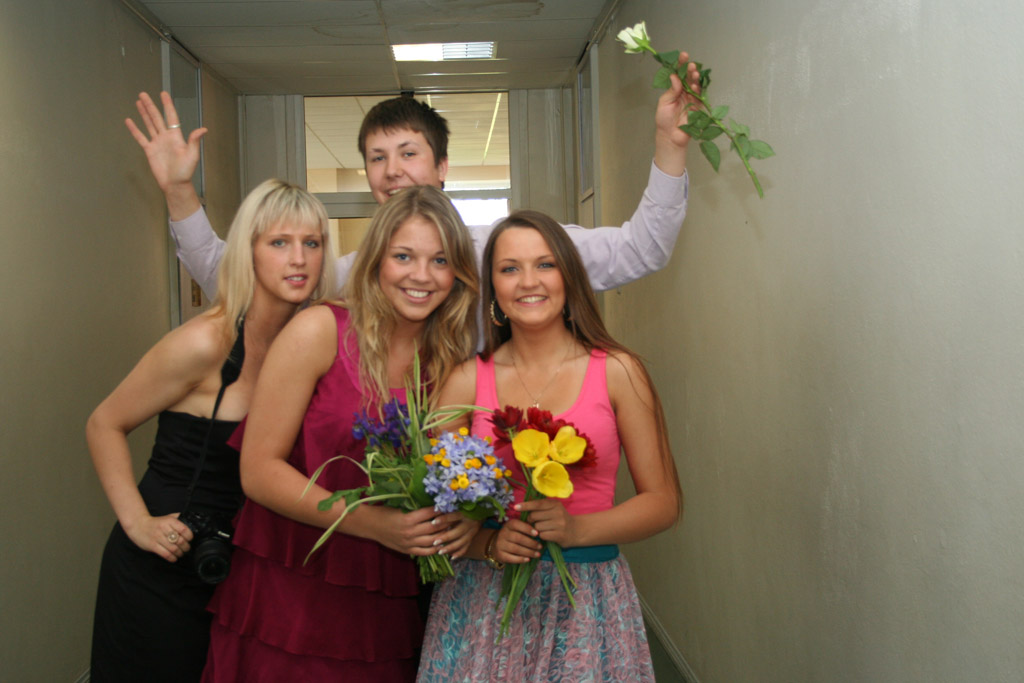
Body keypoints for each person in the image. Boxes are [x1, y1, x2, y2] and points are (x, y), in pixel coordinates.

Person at [127, 50, 701, 302]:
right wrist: (179, 192)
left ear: (442, 167)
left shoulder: (504, 251)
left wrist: (669, 147)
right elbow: (236, 283)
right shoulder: (352, 274)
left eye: (408, 153)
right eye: (377, 158)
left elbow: (641, 250)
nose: (392, 171)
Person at [200, 185, 480, 681]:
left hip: (385, 600)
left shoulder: (451, 361)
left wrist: (465, 521)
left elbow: (447, 478)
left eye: (440, 260)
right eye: (403, 256)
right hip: (289, 588)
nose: (421, 275)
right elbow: (258, 471)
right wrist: (377, 525)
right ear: (375, 261)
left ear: (457, 272)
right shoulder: (320, 330)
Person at [416, 210, 682, 681]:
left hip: (587, 602)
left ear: (569, 276)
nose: (528, 282)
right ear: (492, 288)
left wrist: (576, 530)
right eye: (509, 268)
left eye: (545, 264)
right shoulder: (464, 381)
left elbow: (663, 502)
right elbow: (433, 510)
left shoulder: (619, 371)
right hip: (484, 605)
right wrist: (487, 543)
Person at [87, 178, 334, 682]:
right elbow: (104, 423)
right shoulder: (204, 342)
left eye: (311, 243)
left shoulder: (311, 347)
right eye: (279, 242)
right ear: (248, 251)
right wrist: (138, 523)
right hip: (162, 569)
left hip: (244, 570)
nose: (298, 259)